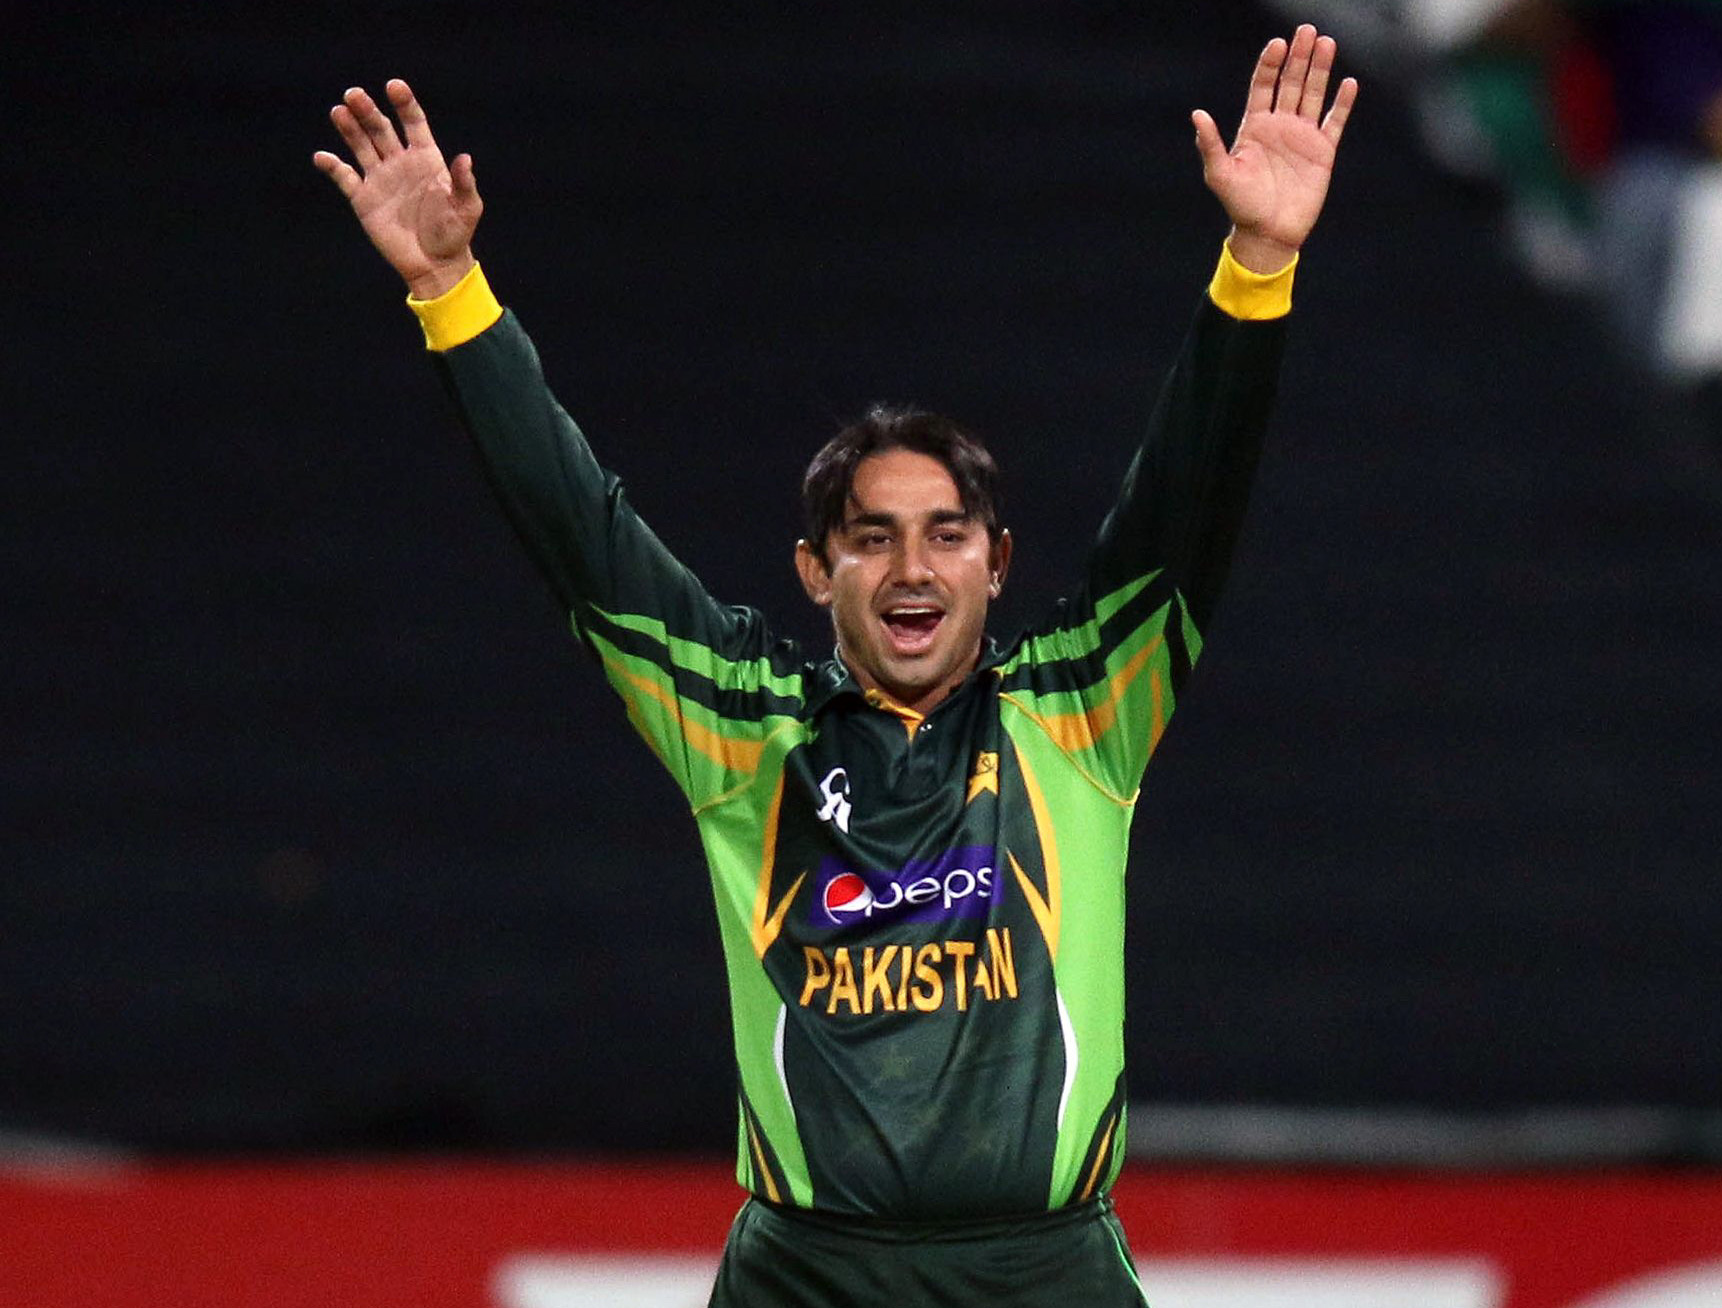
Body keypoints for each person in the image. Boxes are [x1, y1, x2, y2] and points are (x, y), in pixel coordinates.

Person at [315, 23, 1354, 1306]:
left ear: (996, 562)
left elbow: (1187, 499)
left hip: (1045, 1275)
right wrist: (450, 294)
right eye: (872, 540)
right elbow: (584, 539)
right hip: (808, 1277)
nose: (912, 570)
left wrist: (1257, 265)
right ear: (817, 572)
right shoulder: (747, 733)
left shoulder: (1085, 714)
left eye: (946, 536)